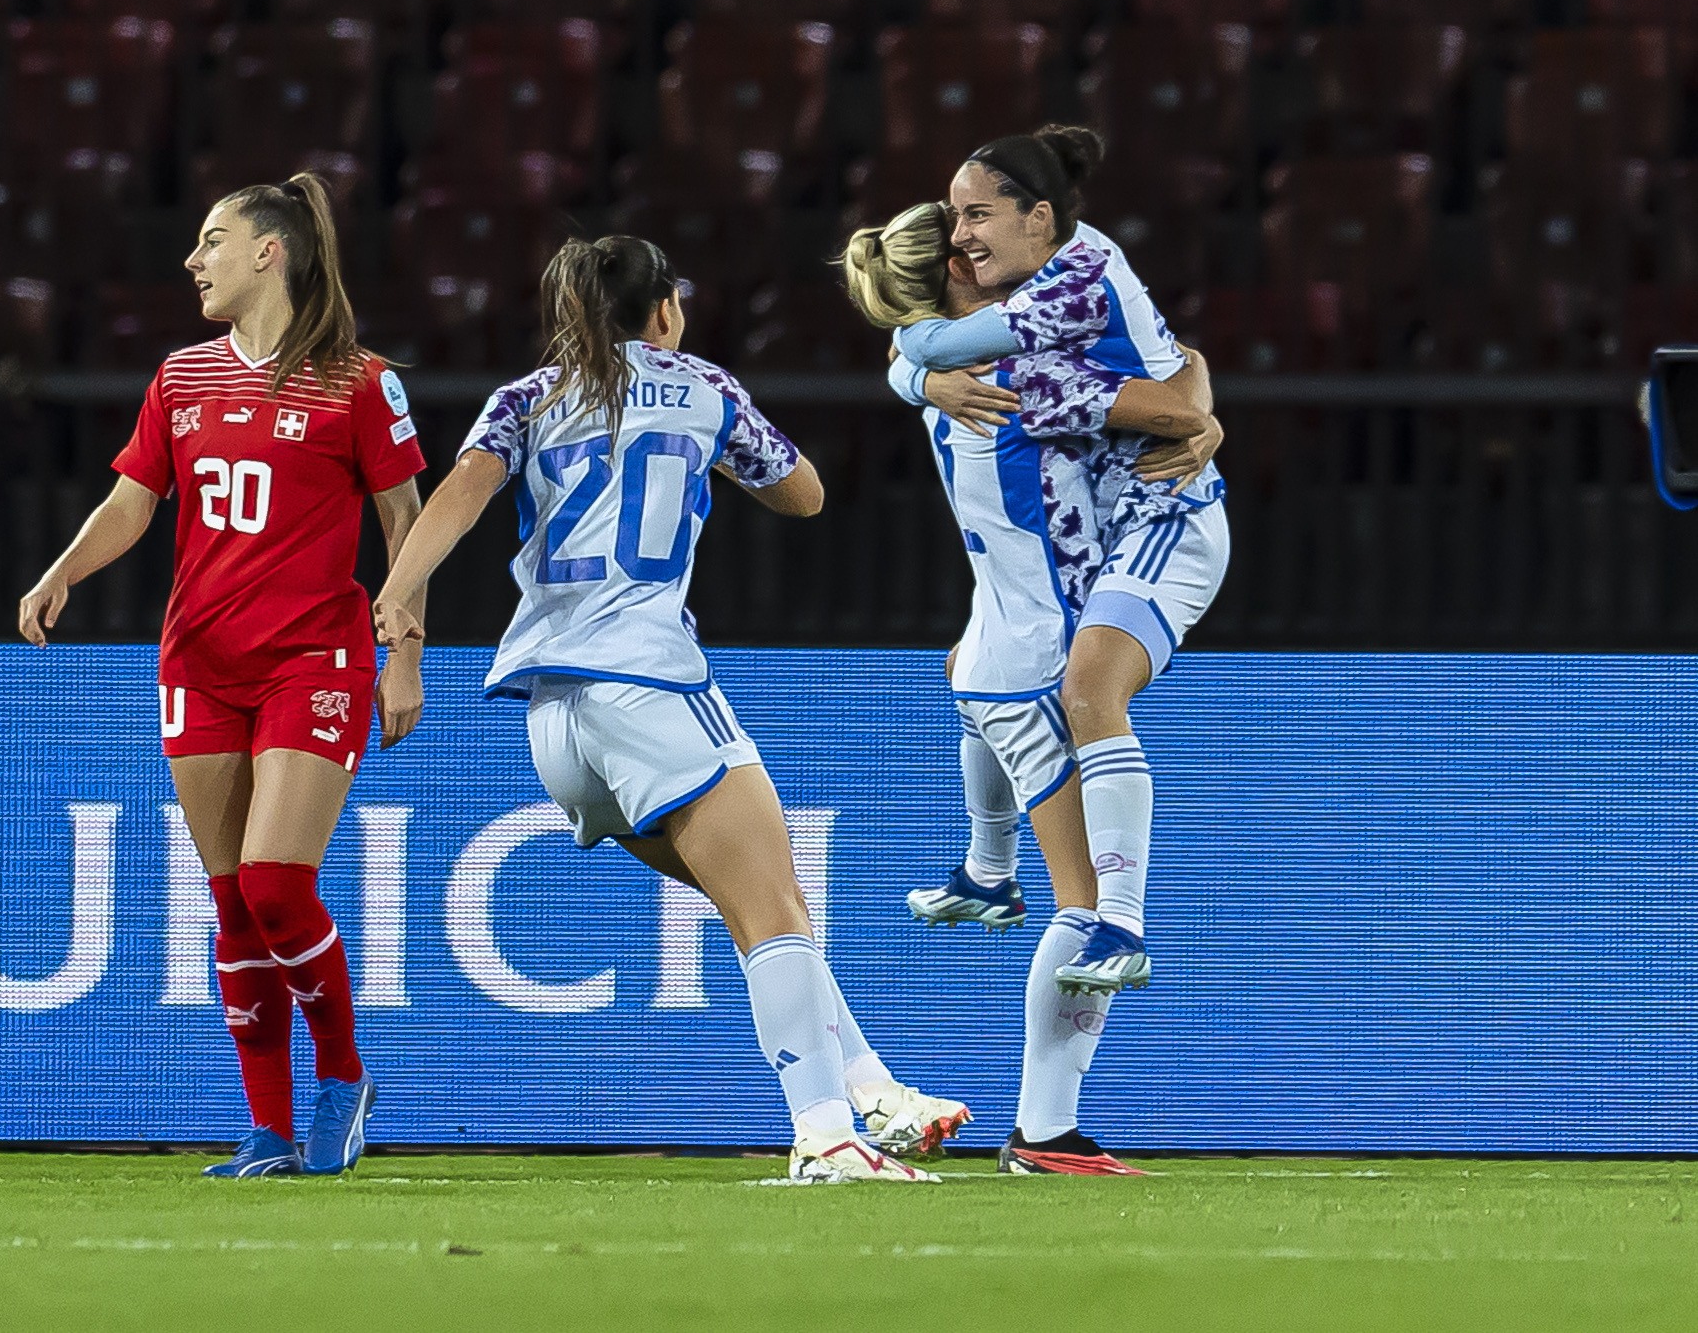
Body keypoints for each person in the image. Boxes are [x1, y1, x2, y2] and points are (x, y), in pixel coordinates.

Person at [369, 234, 962, 1181]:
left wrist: (399, 604)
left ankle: (876, 1093)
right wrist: (704, 453)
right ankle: (826, 1135)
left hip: (552, 718)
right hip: (647, 682)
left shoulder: (525, 398)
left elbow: (460, 495)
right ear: (666, 311)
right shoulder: (703, 388)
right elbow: (804, 495)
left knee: (759, 904)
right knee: (774, 908)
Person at [17, 172, 426, 1179]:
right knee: (233, 902)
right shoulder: (181, 377)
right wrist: (62, 569)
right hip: (198, 660)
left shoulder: (361, 381)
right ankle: (269, 1127)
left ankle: (343, 1077)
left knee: (279, 882)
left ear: (268, 253)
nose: (192, 260)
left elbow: (406, 524)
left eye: (212, 240)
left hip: (313, 657)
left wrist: (404, 652)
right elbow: (131, 502)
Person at [841, 182, 1219, 1175]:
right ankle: (1046, 1133)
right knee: (1089, 902)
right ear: (968, 281)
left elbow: (905, 354)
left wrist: (915, 379)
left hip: (994, 657)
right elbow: (1177, 392)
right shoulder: (1019, 380)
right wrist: (1201, 425)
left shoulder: (948, 368)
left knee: (1054, 883)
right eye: (976, 246)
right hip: (1033, 676)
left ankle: (983, 870)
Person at [889, 128, 1230, 1002]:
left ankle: (1115, 918)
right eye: (955, 223)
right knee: (966, 669)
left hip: (1165, 515)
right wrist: (917, 373)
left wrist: (1200, 412)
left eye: (978, 215)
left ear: (1038, 218)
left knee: (1084, 692)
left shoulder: (1026, 364)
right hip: (1080, 552)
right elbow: (911, 352)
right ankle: (991, 873)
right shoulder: (1016, 328)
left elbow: (1176, 403)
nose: (964, 235)